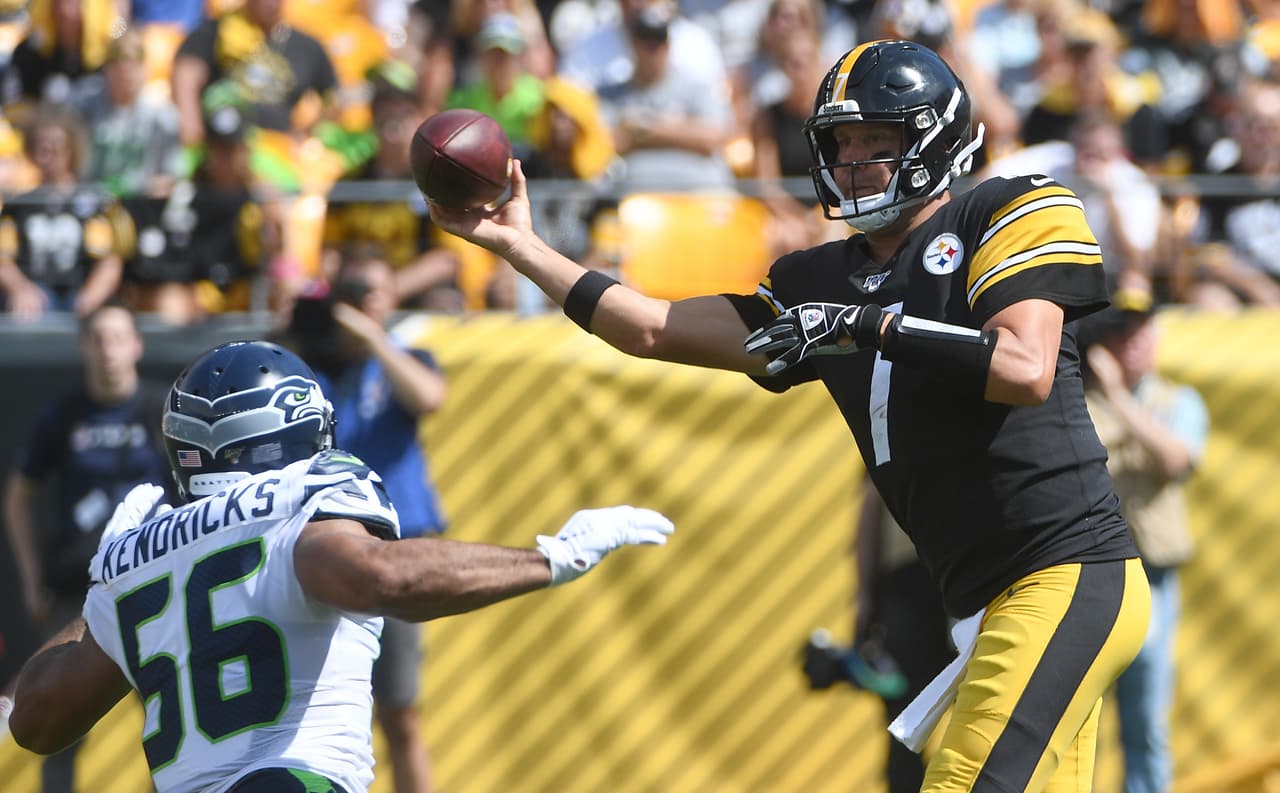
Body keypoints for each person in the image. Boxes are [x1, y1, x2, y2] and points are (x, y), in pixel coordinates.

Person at [430, 39, 1151, 792]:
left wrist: (865, 325)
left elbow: (1024, 369)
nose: (855, 160)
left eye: (878, 139)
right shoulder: (820, 277)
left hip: (1065, 573)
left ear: (932, 139)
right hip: (982, 599)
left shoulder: (1008, 208)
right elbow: (650, 326)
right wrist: (521, 245)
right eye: (843, 143)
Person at [8, 339, 673, 793]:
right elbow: (379, 576)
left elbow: (36, 719)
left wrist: (109, 590)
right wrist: (549, 558)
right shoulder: (301, 496)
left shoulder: (139, 546)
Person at [288, 253, 449, 793]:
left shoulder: (404, 356)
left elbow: (428, 396)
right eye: (355, 292)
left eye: (375, 291)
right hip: (324, 550)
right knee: (311, 718)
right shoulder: (311, 371)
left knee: (401, 712)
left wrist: (374, 335)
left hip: (395, 550)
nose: (366, 301)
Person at [2, 302, 171, 793]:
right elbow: (18, 494)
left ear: (137, 345)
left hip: (151, 588)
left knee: (169, 715)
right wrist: (32, 578)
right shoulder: (64, 414)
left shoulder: (161, 410)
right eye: (97, 339)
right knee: (58, 726)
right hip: (75, 593)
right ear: (82, 348)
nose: (108, 351)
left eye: (119, 338)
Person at [1079, 288, 1209, 793]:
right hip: (1092, 582)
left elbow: (1176, 460)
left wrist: (1118, 398)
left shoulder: (1179, 400)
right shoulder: (1077, 403)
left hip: (1152, 581)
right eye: (1121, 332)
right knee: (1076, 721)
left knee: (1146, 723)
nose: (1134, 342)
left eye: (1142, 330)